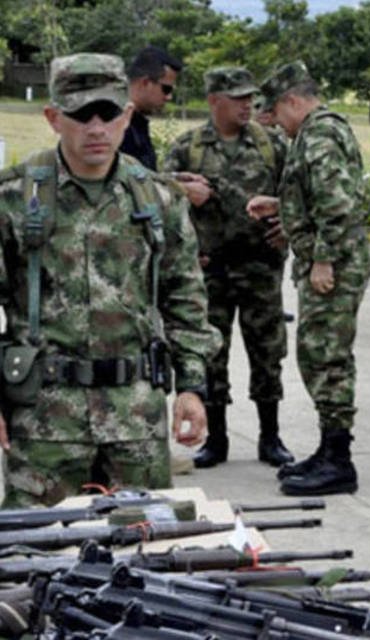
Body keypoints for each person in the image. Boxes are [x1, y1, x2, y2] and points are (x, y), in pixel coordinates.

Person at [0, 53, 221, 507]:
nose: (95, 128)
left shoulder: (157, 198)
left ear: (126, 117)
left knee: (141, 551)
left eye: (107, 114)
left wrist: (193, 389)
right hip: (44, 422)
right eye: (80, 115)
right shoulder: (15, 198)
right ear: (53, 118)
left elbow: (186, 300)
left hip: (135, 420)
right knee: (33, 552)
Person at [247, 61, 370, 497]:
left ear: (293, 101)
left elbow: (337, 205)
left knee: (326, 356)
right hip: (333, 258)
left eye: (277, 113)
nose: (277, 124)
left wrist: (323, 260)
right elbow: (319, 197)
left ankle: (339, 461)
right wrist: (281, 205)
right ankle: (328, 448)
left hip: (334, 264)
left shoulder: (318, 134)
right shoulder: (318, 132)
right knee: (319, 353)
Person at [162, 67, 292, 470]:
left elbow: (298, 193)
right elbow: (157, 195)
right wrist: (183, 190)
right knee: (211, 354)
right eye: (236, 97)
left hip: (260, 269)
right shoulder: (188, 148)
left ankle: (270, 437)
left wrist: (286, 226)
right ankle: (215, 439)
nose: (246, 104)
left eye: (250, 97)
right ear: (213, 100)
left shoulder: (272, 144)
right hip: (210, 270)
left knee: (268, 352)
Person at [120, 46, 183, 171]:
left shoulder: (137, 122)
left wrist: (173, 180)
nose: (169, 97)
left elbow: (144, 175)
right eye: (166, 89)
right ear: (145, 83)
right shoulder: (114, 124)